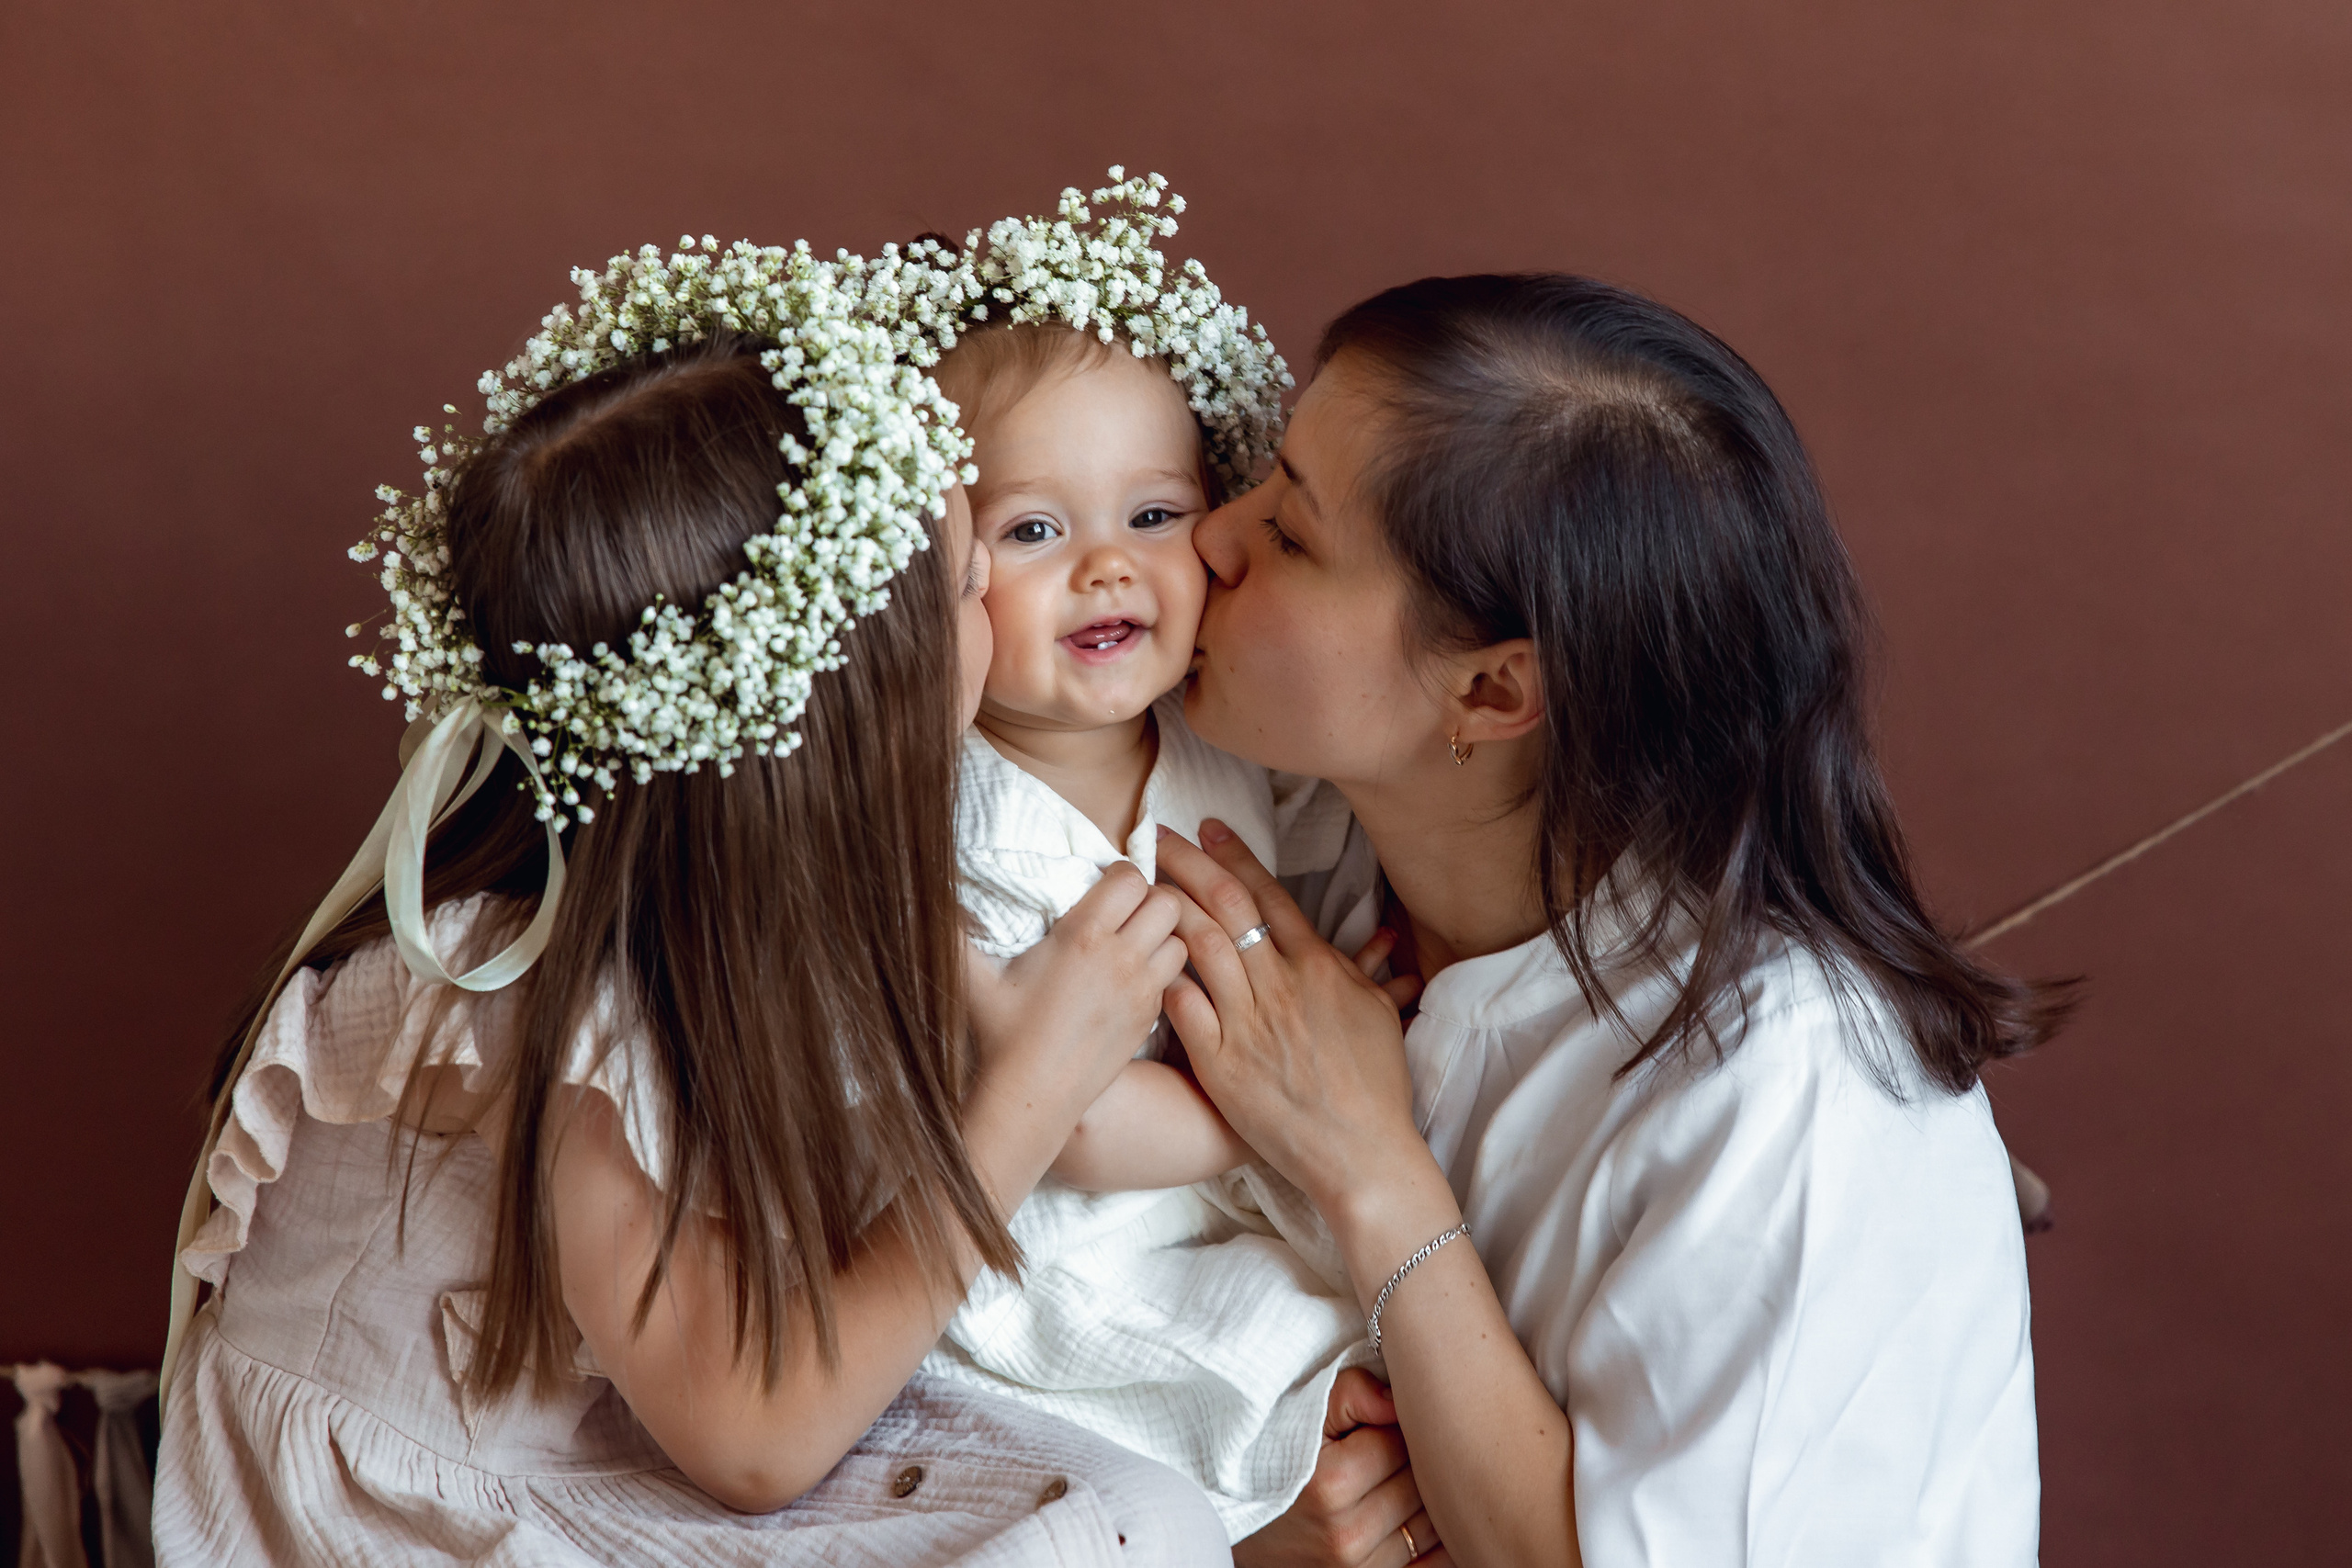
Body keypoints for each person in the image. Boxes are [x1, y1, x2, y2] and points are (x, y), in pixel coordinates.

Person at [153, 238, 1226, 1567]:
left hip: (640, 1423)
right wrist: (1033, 1083)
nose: (998, 626)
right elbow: (758, 1446)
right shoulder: (538, 1000)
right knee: (1122, 1535)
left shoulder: (762, 895)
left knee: (1135, 1500)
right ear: (839, 708)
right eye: (966, 585)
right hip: (441, 1508)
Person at [1159, 274, 2064, 1568]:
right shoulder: (1280, 857)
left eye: (1292, 536)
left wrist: (1370, 1164)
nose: (1210, 538)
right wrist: (1232, 1511)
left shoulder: (1793, 1083)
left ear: (1493, 686)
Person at [899, 180, 1372, 1540]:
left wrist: (1353, 985)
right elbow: (1080, 1123)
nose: (1108, 567)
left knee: (1417, 1295)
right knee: (1290, 1356)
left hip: (1238, 1196)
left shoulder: (1232, 745)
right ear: (934, 578)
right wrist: (1295, 1094)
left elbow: (1331, 894)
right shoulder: (948, 824)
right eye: (1035, 532)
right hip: (1056, 1252)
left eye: (1154, 516)